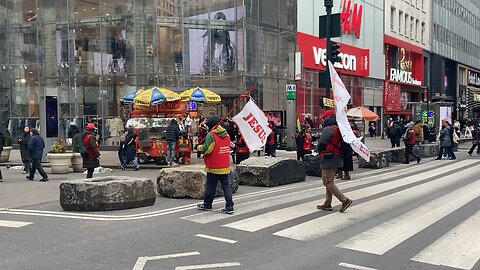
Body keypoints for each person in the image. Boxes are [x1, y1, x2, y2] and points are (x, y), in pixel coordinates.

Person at [315, 110, 353, 213]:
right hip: (336, 156)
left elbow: (322, 142)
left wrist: (317, 150)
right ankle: (327, 203)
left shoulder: (328, 129)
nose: (322, 120)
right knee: (327, 181)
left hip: (329, 157)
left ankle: (345, 200)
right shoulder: (338, 128)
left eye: (323, 118)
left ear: (327, 118)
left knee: (328, 181)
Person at [196, 116, 234, 214]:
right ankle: (229, 205)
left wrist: (199, 147)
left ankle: (207, 204)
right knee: (226, 186)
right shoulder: (226, 134)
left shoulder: (211, 135)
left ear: (212, 126)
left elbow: (207, 149)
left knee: (211, 186)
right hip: (225, 165)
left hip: (214, 166)